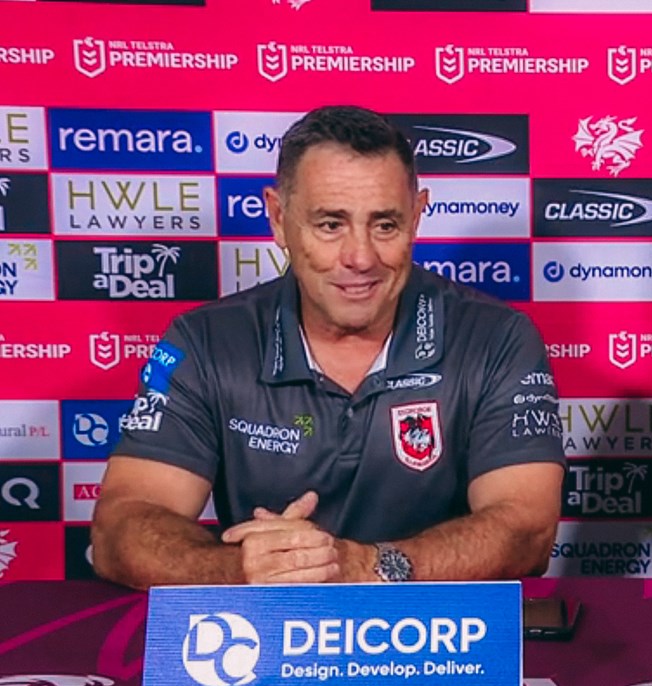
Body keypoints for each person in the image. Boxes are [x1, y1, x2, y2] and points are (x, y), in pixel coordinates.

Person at [91, 105, 565, 590]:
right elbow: (119, 529)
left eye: (385, 225)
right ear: (278, 218)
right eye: (330, 225)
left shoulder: (497, 338)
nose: (360, 257)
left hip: (443, 633)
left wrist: (364, 567)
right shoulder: (207, 342)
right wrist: (243, 569)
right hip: (268, 628)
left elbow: (526, 530)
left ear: (417, 216)